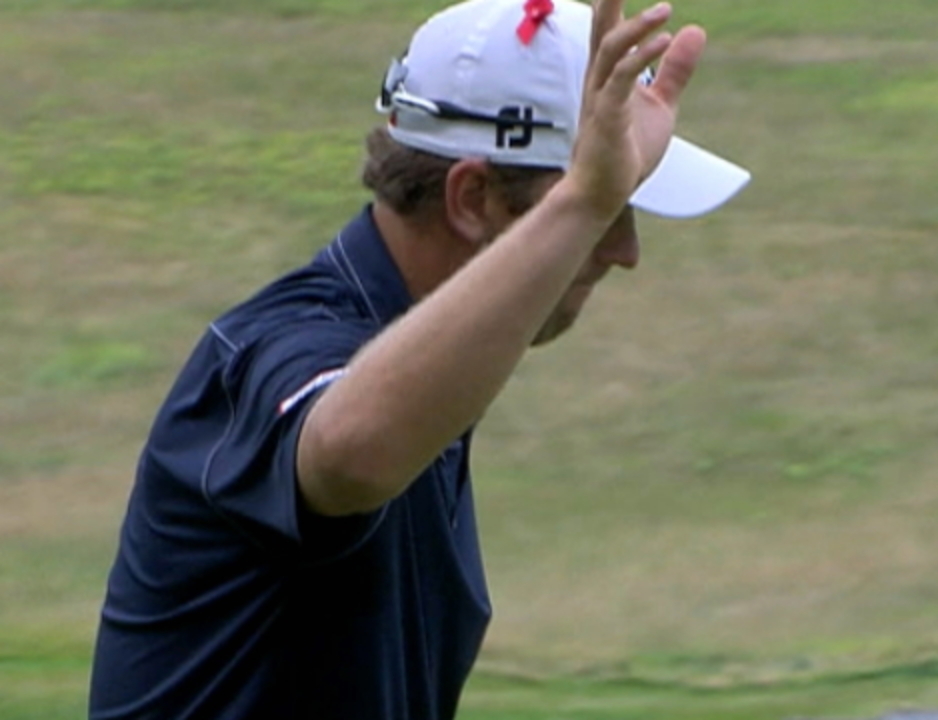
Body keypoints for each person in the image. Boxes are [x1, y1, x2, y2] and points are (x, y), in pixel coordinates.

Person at [87, 0, 749, 718]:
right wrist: (582, 206)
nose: (625, 251)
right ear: (472, 199)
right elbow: (349, 456)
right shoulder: (279, 349)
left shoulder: (429, 362)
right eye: (608, 211)